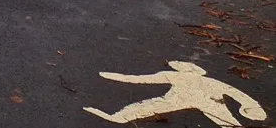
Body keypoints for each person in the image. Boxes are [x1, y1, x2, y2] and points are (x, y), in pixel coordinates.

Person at [84, 61, 267, 127]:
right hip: (202, 100)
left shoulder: (173, 75)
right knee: (151, 106)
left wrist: (114, 76)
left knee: (151, 105)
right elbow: (236, 93)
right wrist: (251, 106)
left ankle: (120, 117)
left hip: (199, 100)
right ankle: (120, 117)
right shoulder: (210, 81)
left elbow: (138, 79)